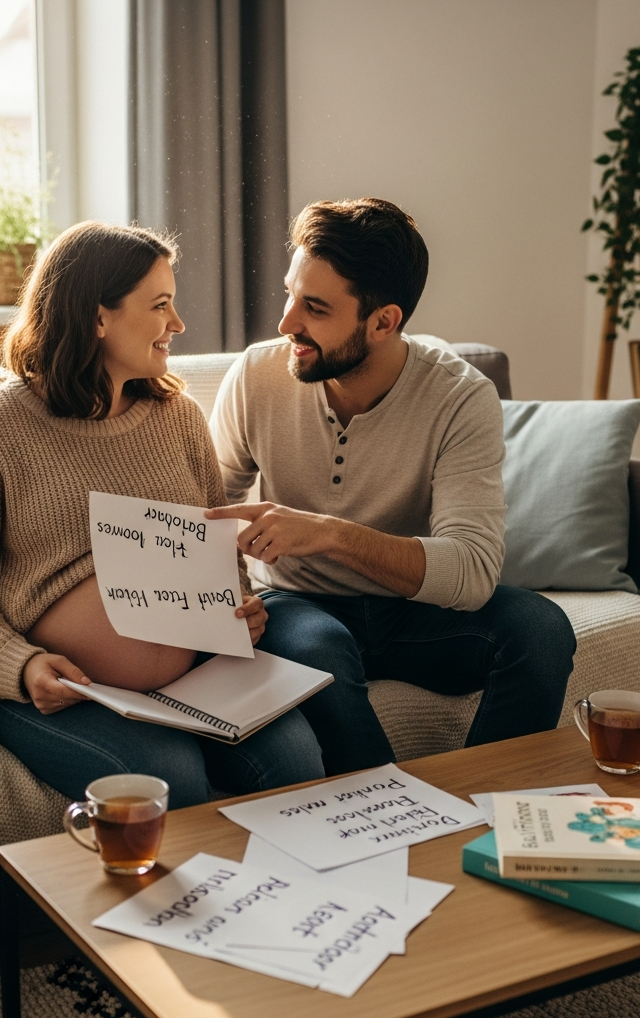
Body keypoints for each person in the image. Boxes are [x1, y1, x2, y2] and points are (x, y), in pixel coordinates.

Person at [0, 221, 324, 806]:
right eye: (160, 306)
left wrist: (236, 613)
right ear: (97, 317)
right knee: (168, 781)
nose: (177, 324)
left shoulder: (177, 417)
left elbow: (215, 547)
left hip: (199, 679)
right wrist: (21, 666)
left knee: (296, 762)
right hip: (64, 693)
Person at [207, 198, 576, 776]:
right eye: (289, 293)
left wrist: (329, 535)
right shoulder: (256, 376)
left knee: (541, 630)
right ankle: (395, 817)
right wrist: (228, 597)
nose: (286, 324)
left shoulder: (459, 397)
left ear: (383, 322)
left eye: (315, 308)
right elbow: (205, 511)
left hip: (411, 611)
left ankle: (488, 807)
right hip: (297, 604)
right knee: (318, 653)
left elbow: (475, 571)